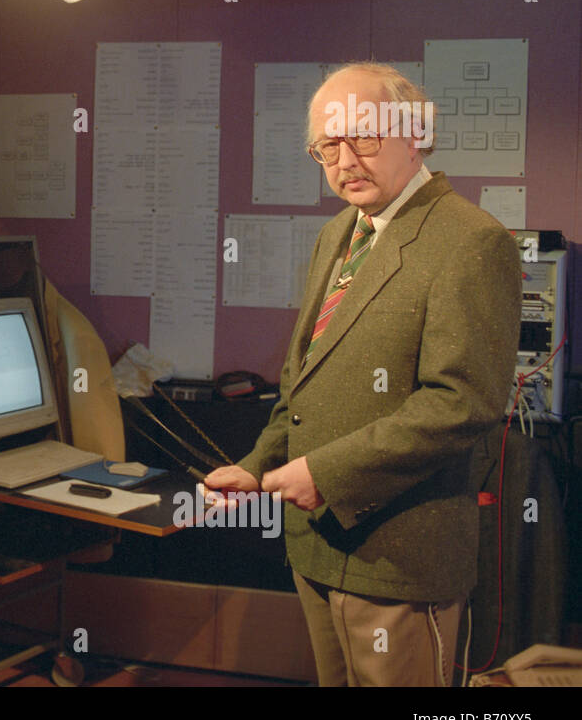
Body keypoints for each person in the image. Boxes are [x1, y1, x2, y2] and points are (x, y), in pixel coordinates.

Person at [204, 62, 520, 686]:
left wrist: (325, 473)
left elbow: (460, 403)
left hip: (399, 557)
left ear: (415, 134)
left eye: (363, 137)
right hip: (318, 545)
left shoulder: (471, 240)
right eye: (327, 145)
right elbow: (302, 380)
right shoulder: (337, 234)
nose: (344, 160)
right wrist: (257, 465)